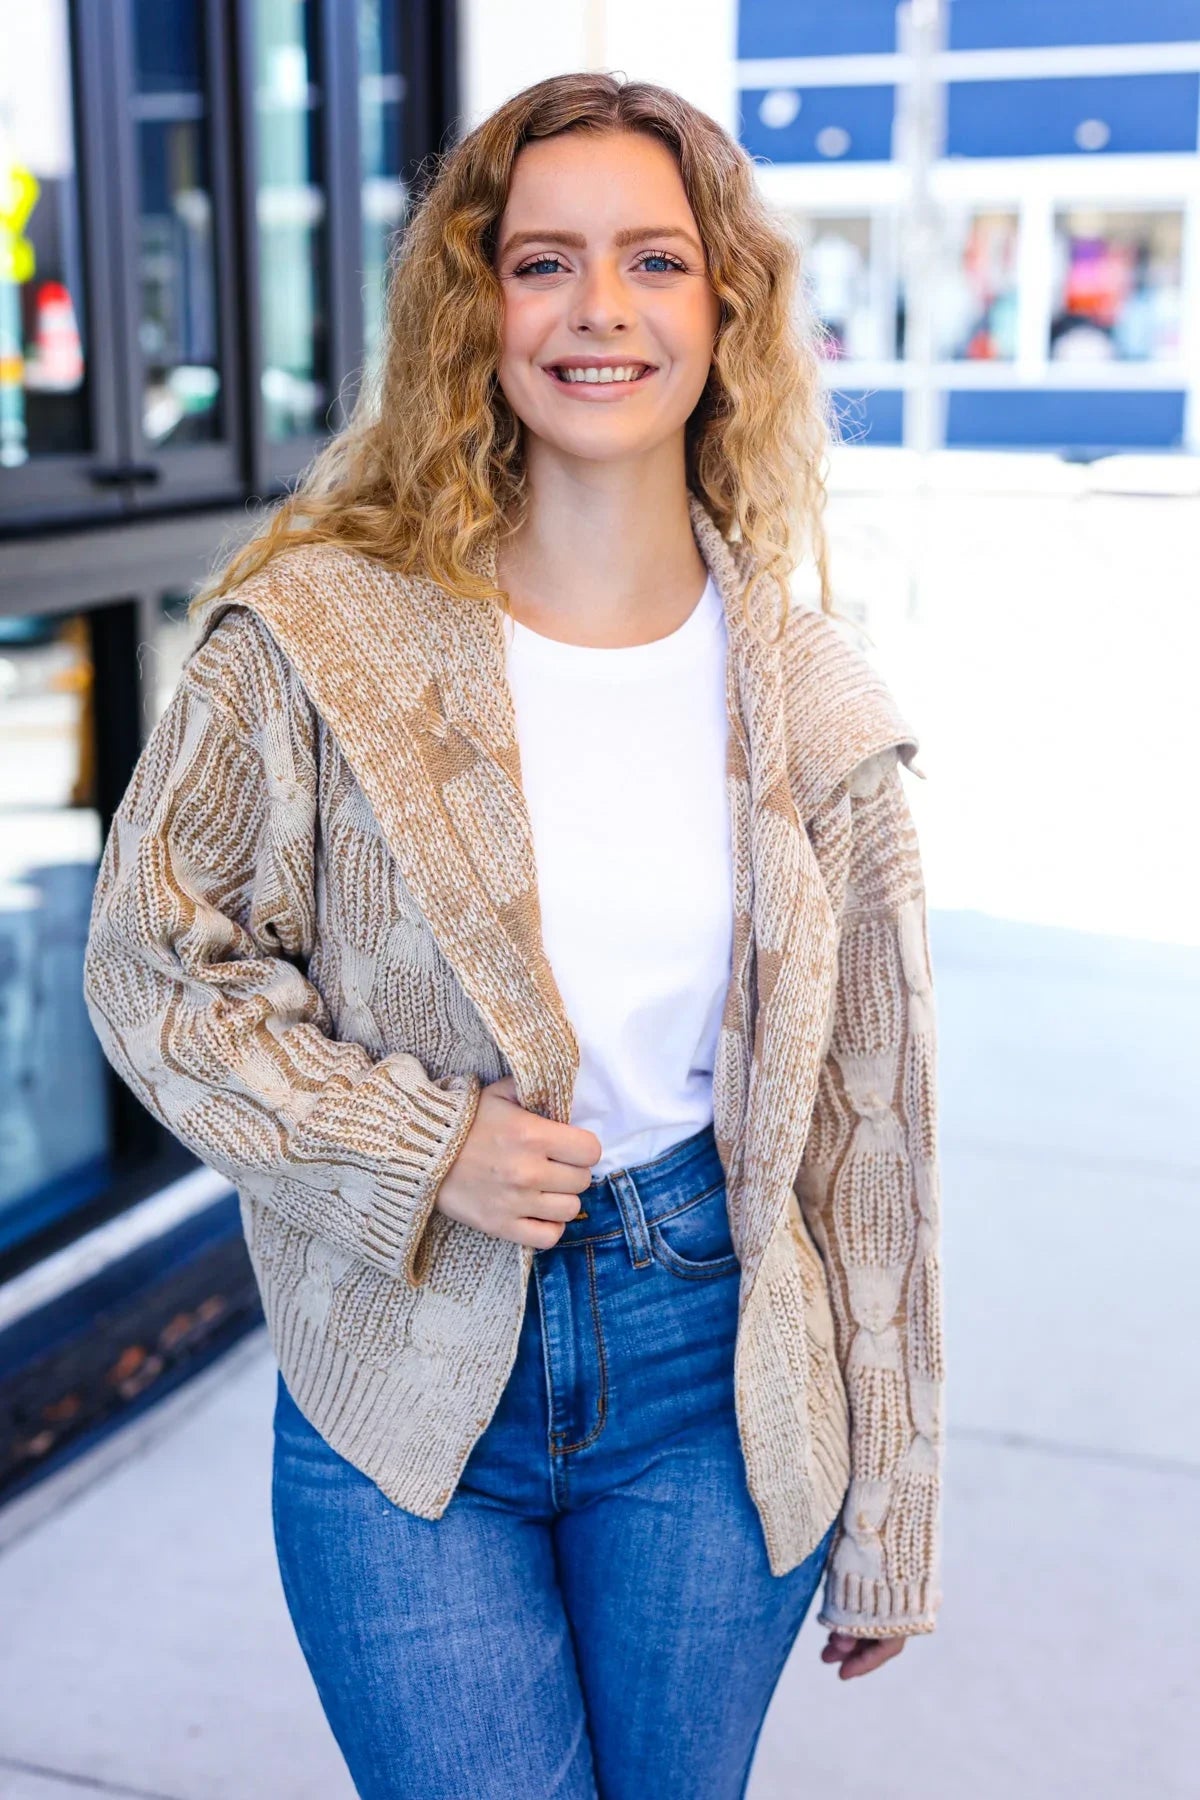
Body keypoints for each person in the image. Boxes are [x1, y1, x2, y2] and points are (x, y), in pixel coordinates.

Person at [83, 71, 944, 1800]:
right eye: (541, 261)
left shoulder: (815, 707)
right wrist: (423, 1144)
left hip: (714, 1378)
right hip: (403, 1369)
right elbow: (154, 969)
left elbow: (874, 1130)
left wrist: (898, 1497)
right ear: (473, 303)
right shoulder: (315, 633)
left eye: (654, 261)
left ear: (728, 310)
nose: (598, 311)